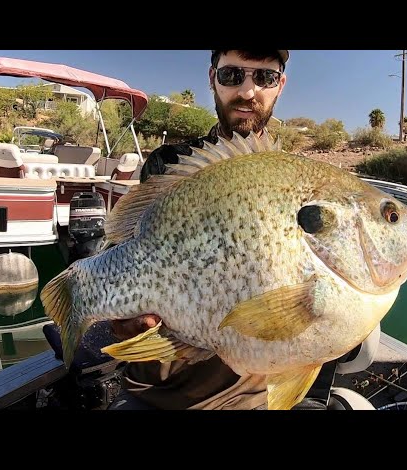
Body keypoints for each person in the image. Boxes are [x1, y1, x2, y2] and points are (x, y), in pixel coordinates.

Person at [106, 50, 335, 410]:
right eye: (232, 76)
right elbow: (131, 255)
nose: (247, 91)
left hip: (258, 396)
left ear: (281, 86)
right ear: (212, 77)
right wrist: (124, 322)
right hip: (166, 396)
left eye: (265, 78)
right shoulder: (169, 165)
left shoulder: (303, 186)